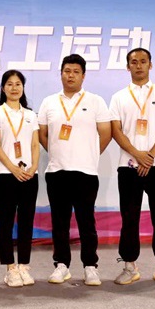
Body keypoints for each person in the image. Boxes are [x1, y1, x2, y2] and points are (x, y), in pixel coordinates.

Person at [109, 47, 155, 287]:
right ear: (127, 66)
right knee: (129, 217)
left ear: (150, 65)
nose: (138, 65)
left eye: (143, 61)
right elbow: (116, 130)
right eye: (133, 62)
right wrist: (137, 154)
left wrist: (149, 156)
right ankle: (130, 266)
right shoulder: (119, 97)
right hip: (128, 166)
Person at [38, 54, 112, 286]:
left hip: (86, 173)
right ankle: (61, 265)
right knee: (59, 222)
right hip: (57, 171)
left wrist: (90, 155)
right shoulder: (49, 102)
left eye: (76, 72)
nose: (70, 75)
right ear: (61, 73)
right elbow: (42, 134)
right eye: (67, 71)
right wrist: (56, 152)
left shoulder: (96, 101)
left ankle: (90, 266)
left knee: (86, 222)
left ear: (83, 75)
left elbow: (106, 133)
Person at [0, 70, 40, 287]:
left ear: (23, 88)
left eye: (18, 84)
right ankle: (10, 268)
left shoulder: (31, 115)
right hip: (6, 176)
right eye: (9, 84)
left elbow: (35, 144)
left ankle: (24, 266)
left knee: (27, 222)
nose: (14, 88)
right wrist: (12, 168)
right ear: (3, 88)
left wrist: (33, 167)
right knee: (6, 223)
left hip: (29, 176)